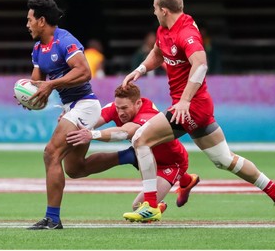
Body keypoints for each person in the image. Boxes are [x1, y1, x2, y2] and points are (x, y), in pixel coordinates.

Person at [122, 0, 275, 225]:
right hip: (193, 107)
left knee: (140, 139)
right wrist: (139, 70)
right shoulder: (164, 29)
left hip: (191, 106)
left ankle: (150, 205)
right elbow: (158, 52)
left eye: (154, 9)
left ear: (163, 9)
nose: (153, 13)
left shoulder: (186, 32)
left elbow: (201, 65)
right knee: (224, 159)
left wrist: (184, 100)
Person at [22, 0, 102, 230]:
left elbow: (85, 72)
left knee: (51, 153)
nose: (27, 24)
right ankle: (129, 156)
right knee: (76, 169)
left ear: (42, 20)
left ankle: (52, 219)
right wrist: (28, 96)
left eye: (29, 20)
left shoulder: (65, 41)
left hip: (85, 104)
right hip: (71, 107)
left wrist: (52, 85)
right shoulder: (38, 49)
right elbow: (37, 84)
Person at [66, 83, 199, 215]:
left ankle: (163, 200)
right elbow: (90, 121)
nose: (120, 113)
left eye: (124, 108)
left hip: (171, 163)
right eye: (118, 108)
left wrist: (92, 134)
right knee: (133, 154)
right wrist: (71, 121)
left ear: (138, 103)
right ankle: (186, 181)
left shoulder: (148, 114)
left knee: (137, 207)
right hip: (145, 153)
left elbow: (125, 132)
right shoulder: (116, 107)